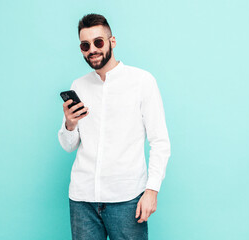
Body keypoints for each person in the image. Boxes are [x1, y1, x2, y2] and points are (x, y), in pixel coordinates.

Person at [58, 13, 171, 240]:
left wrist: (152, 190)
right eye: (85, 45)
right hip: (82, 200)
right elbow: (69, 146)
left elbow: (160, 142)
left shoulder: (142, 81)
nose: (92, 49)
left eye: (98, 42)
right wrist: (70, 124)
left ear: (112, 42)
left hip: (127, 200)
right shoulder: (78, 85)